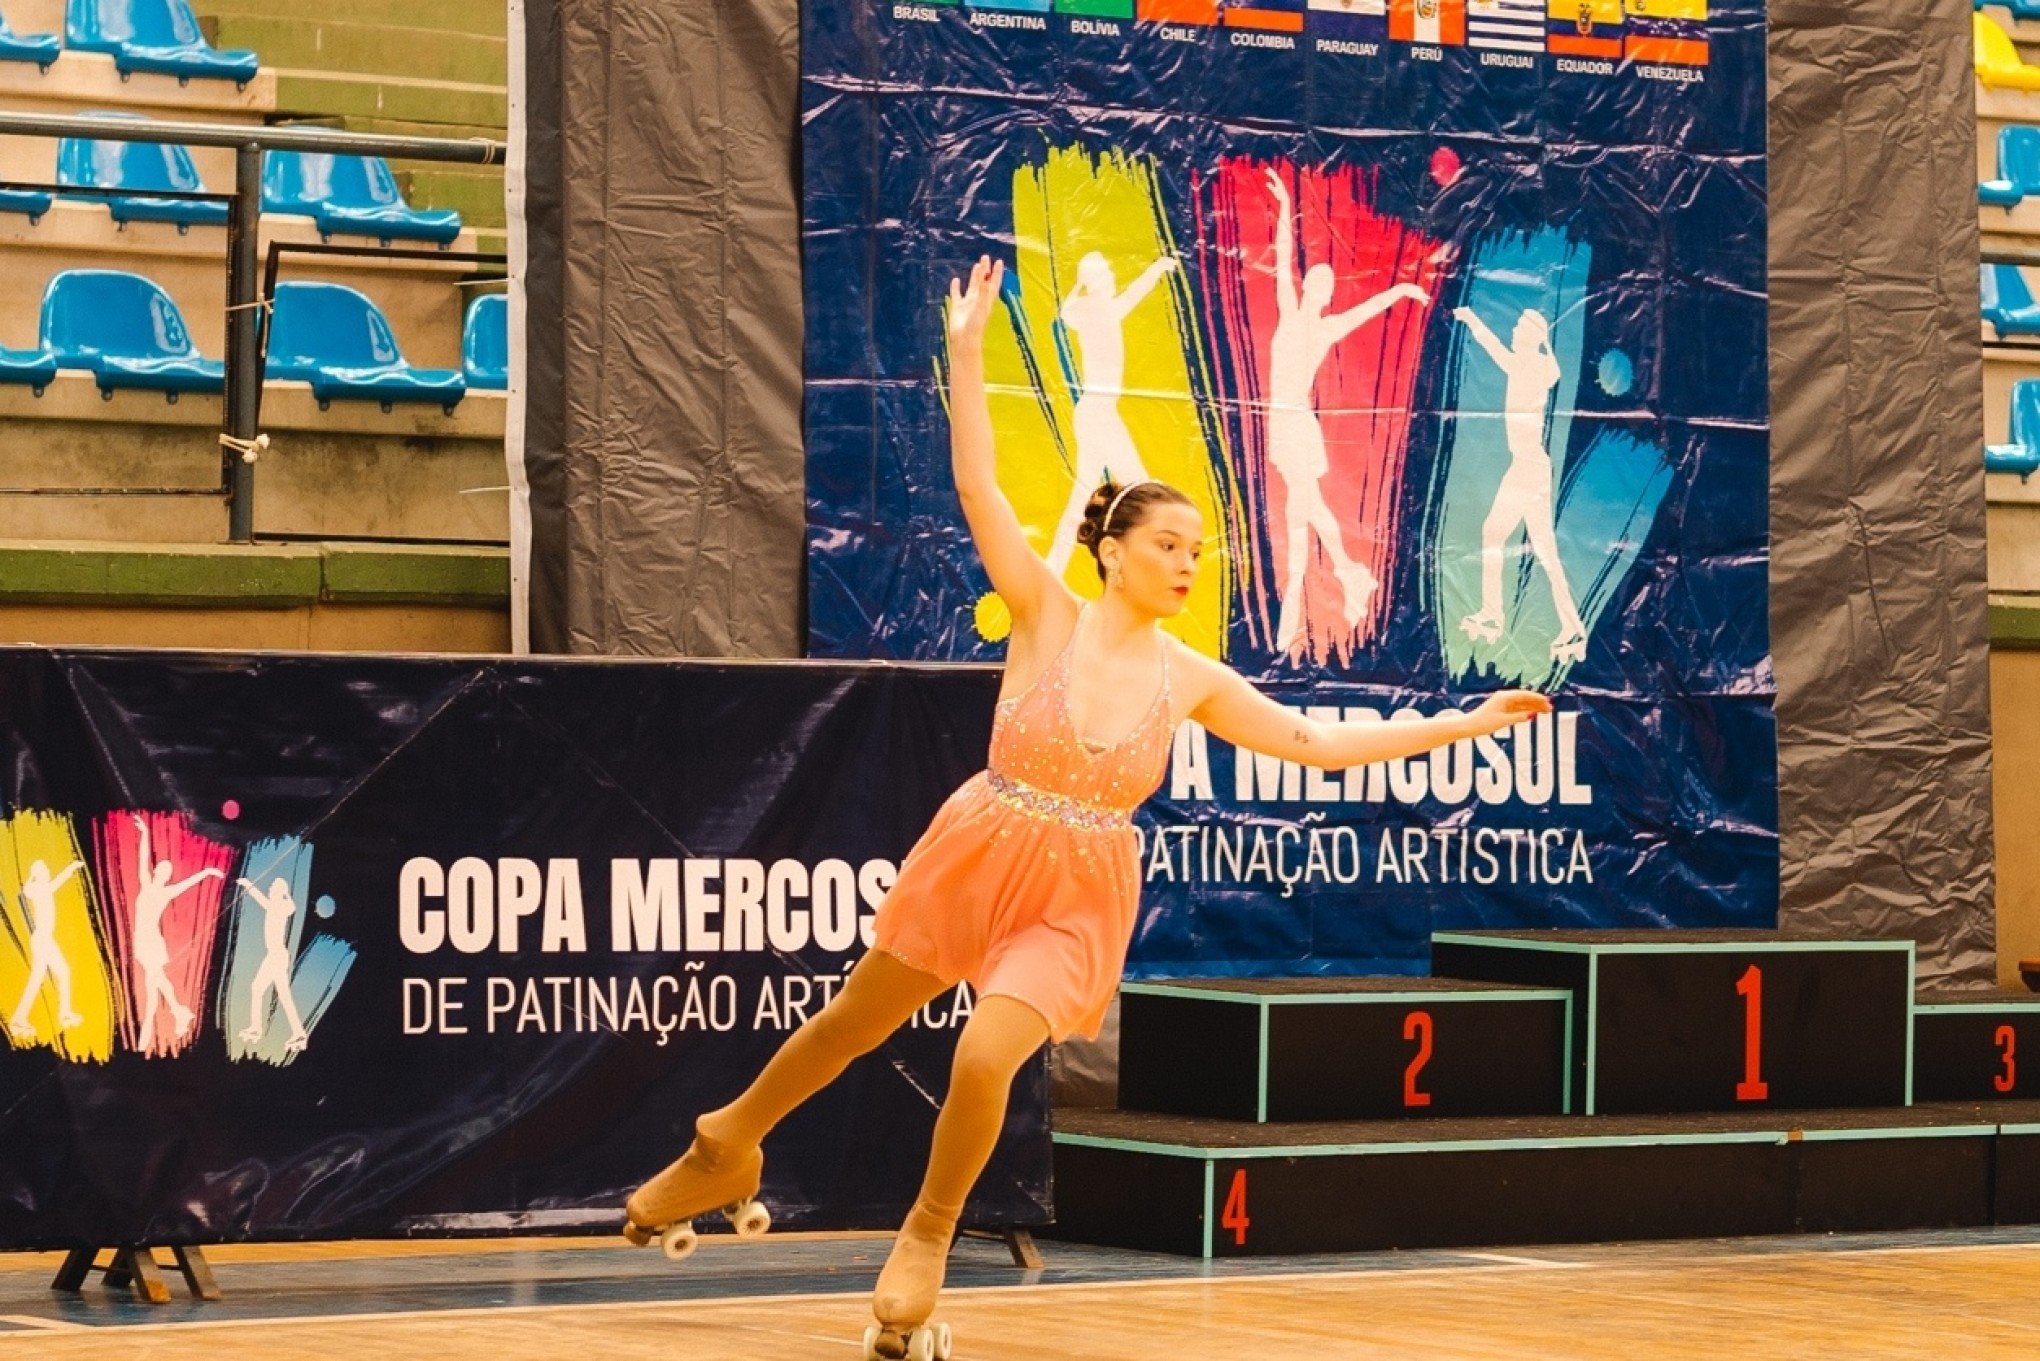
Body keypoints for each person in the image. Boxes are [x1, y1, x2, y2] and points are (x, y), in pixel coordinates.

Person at [623, 256, 1551, 1361]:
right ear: (1112, 550)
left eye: (1200, 551)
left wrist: (1465, 723)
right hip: (983, 843)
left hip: (1077, 891)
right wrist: (967, 354)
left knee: (980, 1055)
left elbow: (1320, 743)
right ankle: (730, 1138)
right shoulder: (1043, 613)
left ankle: (925, 1236)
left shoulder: (1193, 674)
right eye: (1169, 543)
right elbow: (980, 490)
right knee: (850, 1023)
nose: (1187, 563)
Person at [1262, 168, 1429, 656]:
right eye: (1312, 280)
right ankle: (1343, 578)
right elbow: (1282, 265)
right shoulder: (1291, 313)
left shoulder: (1326, 327)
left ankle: (1317, 591)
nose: (1313, 286)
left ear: (1327, 295)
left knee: (1303, 507)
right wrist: (1286, 206)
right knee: (1301, 507)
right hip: (1284, 424)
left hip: (1296, 425)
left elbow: (1369, 309)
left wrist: (1399, 292)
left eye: (1323, 285)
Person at [1451, 304, 1588, 662]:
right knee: (1527, 545)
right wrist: (1473, 319)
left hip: (1529, 468)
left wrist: (1474, 320)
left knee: (1505, 538)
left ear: (1530, 337)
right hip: (1527, 466)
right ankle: (1566, 627)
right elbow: (1502, 347)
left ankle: (1503, 617)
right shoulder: (1531, 366)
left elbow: (1509, 353)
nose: (1512, 334)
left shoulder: (1531, 367)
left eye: (1518, 330)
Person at [1044, 249, 1179, 578]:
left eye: (1108, 270)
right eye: (1103, 273)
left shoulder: (1100, 308)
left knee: (1088, 493)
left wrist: (1157, 268)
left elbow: (1128, 295)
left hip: (1098, 411)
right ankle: (1145, 567)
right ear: (1094, 280)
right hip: (1097, 412)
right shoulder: (1094, 309)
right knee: (1143, 488)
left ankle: (1054, 568)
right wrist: (1079, 284)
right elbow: (1067, 313)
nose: (1111, 276)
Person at [128, 814, 223, 1051]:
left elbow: (189, 882)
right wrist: (145, 834)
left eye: (165, 870)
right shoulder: (146, 883)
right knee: (155, 982)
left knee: (153, 985)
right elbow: (142, 859)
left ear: (167, 875)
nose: (160, 870)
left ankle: (155, 1028)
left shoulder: (165, 892)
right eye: (160, 867)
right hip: (143, 940)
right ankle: (178, 1013)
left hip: (151, 941)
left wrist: (208, 872)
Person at [8, 857, 87, 1040]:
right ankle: (22, 1019)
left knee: (52, 974)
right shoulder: (37, 888)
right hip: (42, 938)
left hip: (45, 938)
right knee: (51, 975)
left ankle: (59, 1014)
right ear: (38, 873)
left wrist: (72, 867)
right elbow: (32, 889)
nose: (48, 871)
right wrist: (71, 867)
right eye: (45, 869)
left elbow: (55, 881)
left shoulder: (41, 888)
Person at [236, 875, 309, 1053]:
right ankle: (261, 1028)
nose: (270, 889)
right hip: (274, 955)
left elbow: (287, 906)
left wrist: (248, 885)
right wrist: (247, 884)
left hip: (277, 956)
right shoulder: (278, 906)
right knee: (264, 989)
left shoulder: (279, 906)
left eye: (273, 887)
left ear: (280, 891)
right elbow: (268, 900)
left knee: (268, 990)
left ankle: (294, 1032)